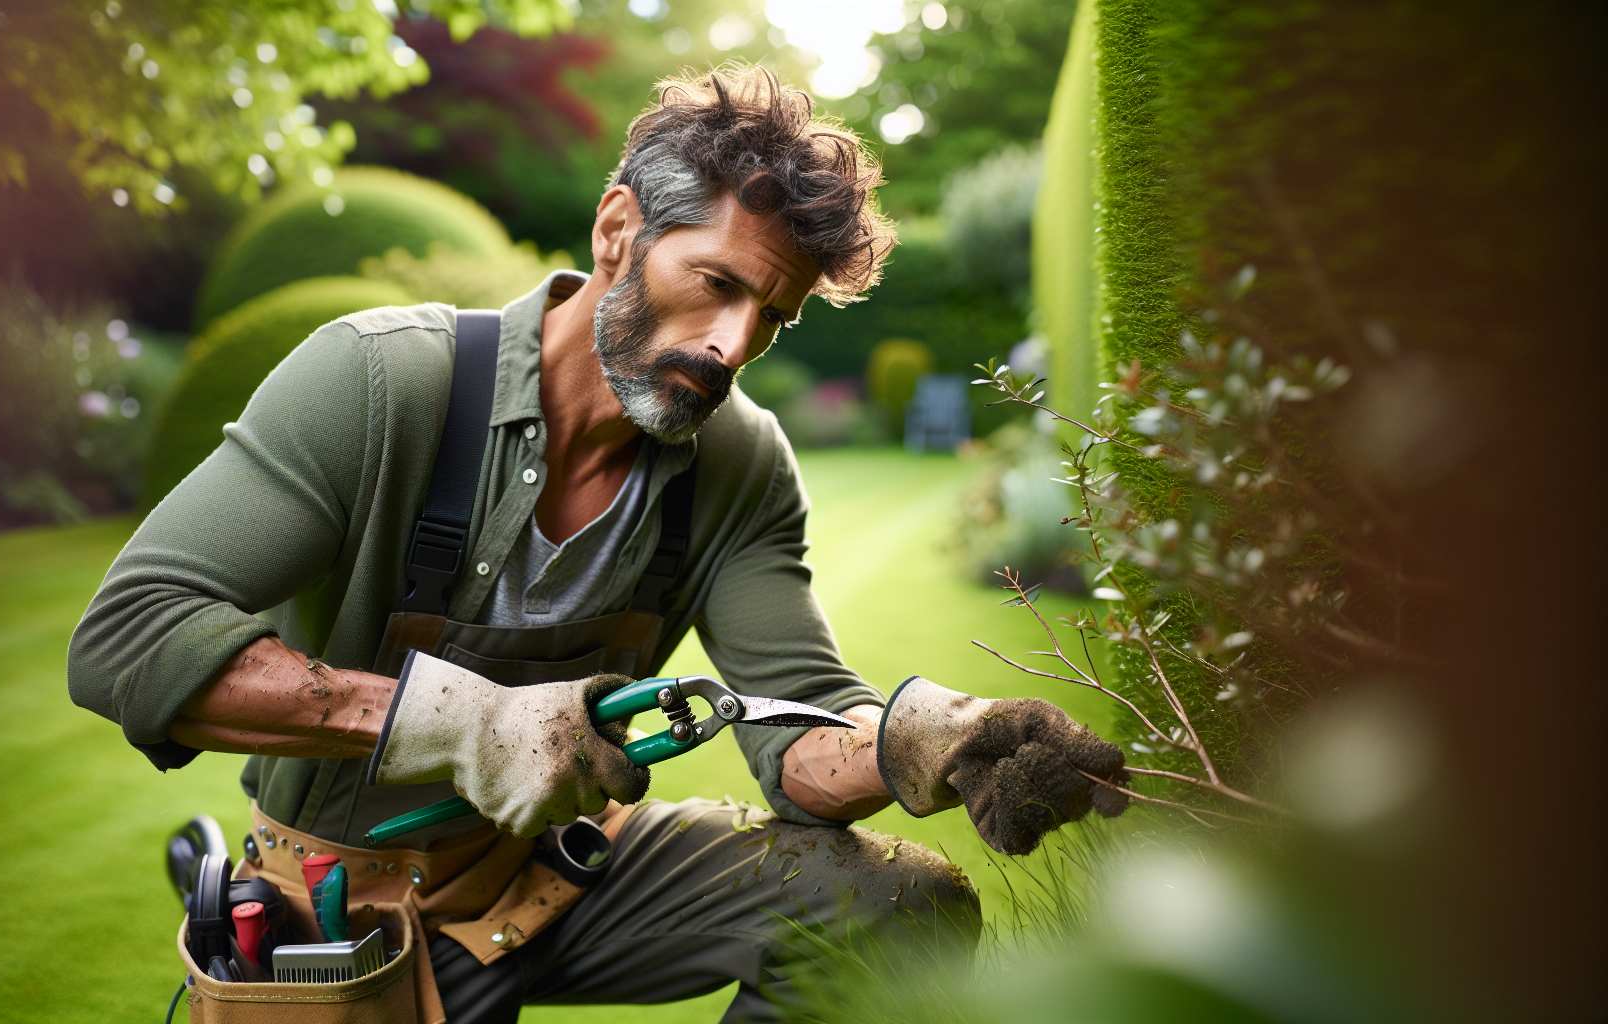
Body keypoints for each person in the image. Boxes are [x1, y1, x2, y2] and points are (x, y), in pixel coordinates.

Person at [69, 63, 1127, 1023]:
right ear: (618, 228)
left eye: (773, 316)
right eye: (718, 284)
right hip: (344, 905)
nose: (733, 347)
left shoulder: (740, 462)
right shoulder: (383, 382)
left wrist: (918, 740)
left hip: (559, 871)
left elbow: (798, 740)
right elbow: (126, 641)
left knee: (892, 901)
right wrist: (465, 723)